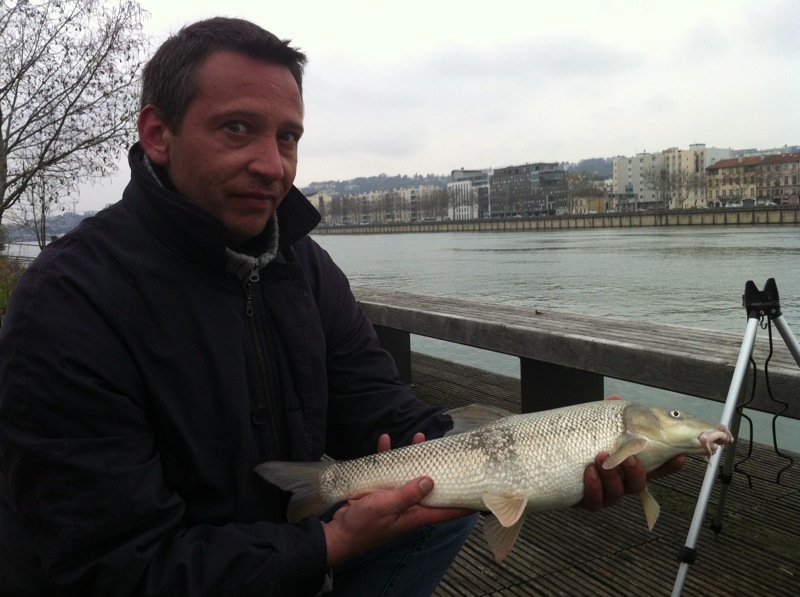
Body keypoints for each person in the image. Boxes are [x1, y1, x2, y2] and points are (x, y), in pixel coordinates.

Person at [0, 17, 683, 596]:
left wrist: (540, 458)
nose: (273, 165)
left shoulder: (300, 266)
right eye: (237, 128)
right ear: (157, 133)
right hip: (166, 570)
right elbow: (113, 566)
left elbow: (381, 407)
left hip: (288, 537)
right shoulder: (67, 304)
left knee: (448, 509)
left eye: (287, 137)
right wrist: (326, 546)